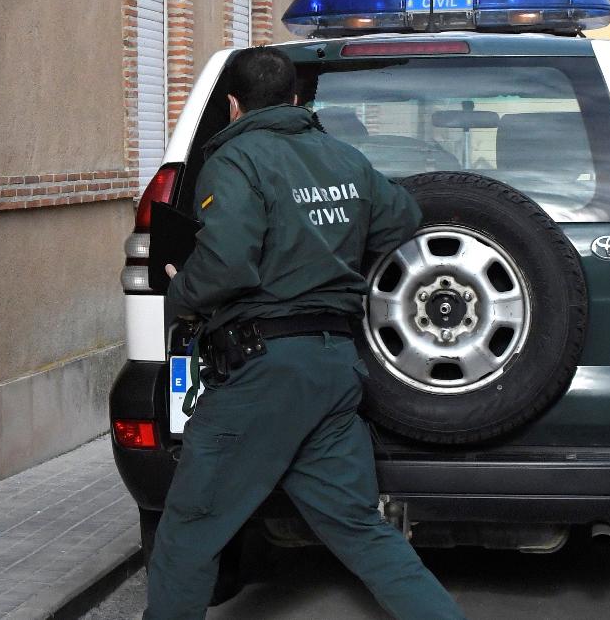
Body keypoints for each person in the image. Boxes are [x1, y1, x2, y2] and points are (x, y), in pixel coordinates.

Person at [146, 47, 464, 620]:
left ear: (234, 105)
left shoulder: (236, 158)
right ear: (296, 99)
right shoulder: (343, 157)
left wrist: (178, 292)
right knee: (360, 530)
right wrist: (332, 256)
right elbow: (403, 217)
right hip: (333, 368)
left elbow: (228, 265)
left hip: (262, 372)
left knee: (189, 530)